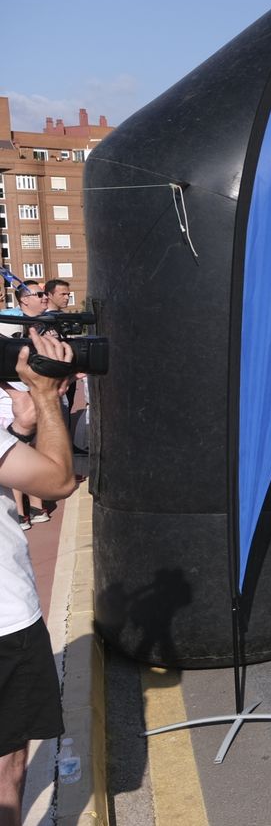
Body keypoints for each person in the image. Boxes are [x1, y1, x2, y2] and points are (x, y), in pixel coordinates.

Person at [0, 332, 79, 819]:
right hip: (4, 621)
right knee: (7, 766)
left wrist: (25, 424)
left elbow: (20, 435)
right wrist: (49, 396)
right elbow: (58, 480)